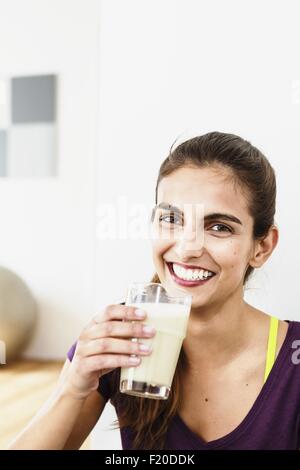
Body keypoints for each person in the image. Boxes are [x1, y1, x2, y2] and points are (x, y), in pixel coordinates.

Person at [8, 131, 300, 450]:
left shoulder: (293, 364)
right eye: (171, 219)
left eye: (219, 227)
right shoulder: (119, 338)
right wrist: (71, 388)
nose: (188, 248)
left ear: (262, 246)